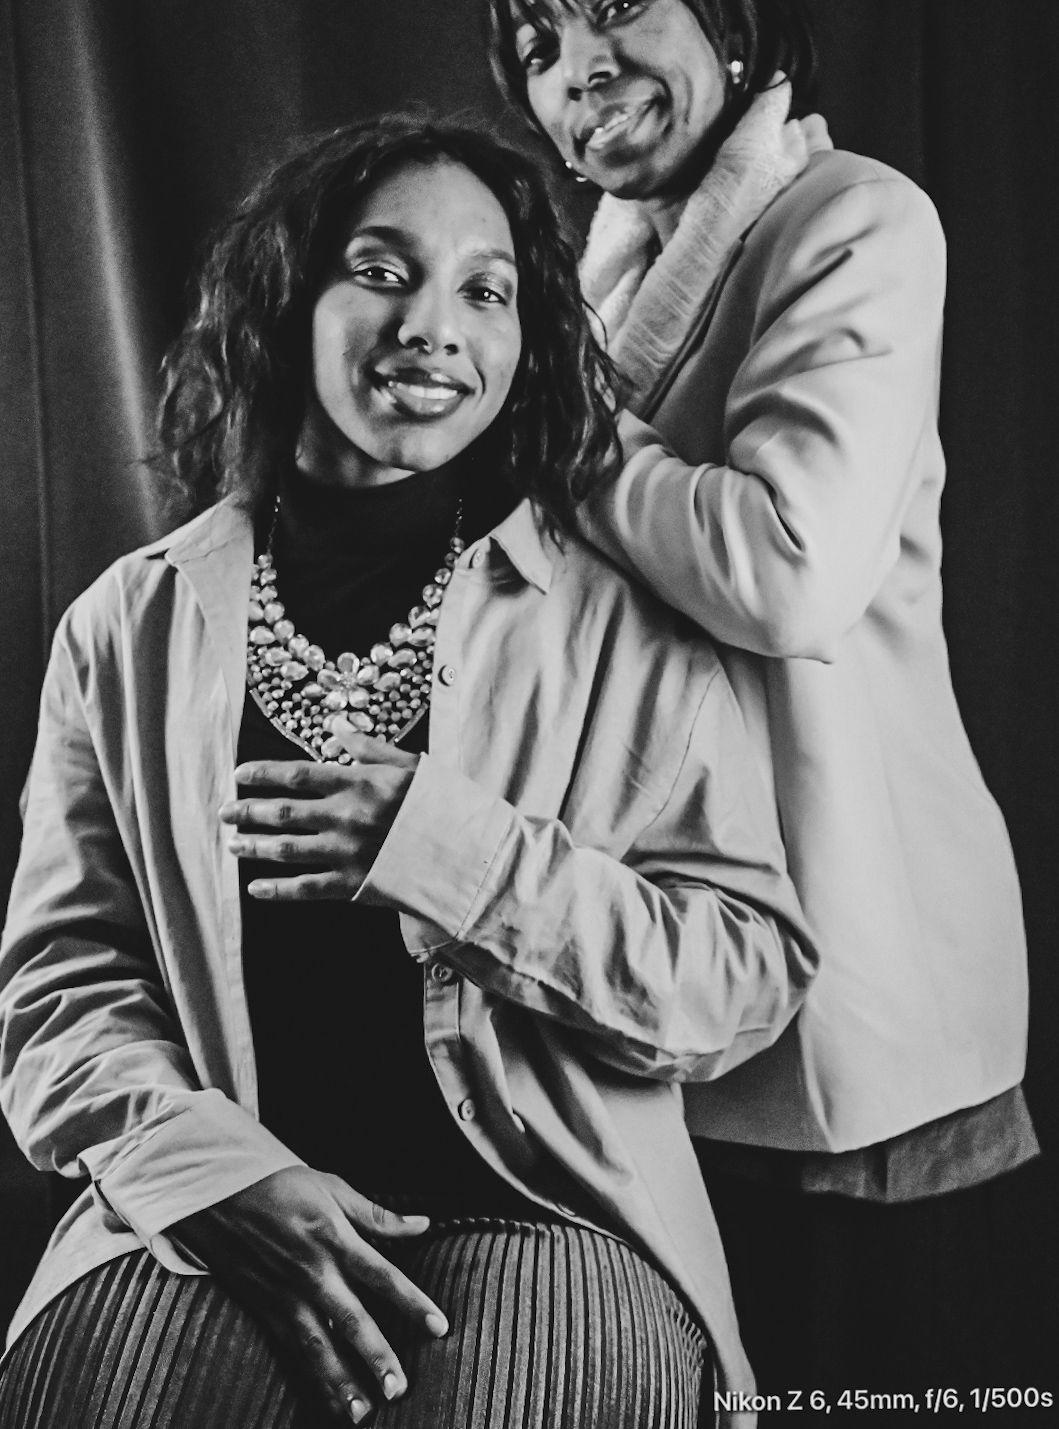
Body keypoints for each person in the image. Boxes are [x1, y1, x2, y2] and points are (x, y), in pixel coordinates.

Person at [0, 117, 817, 1429]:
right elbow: (64, 985)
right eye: (382, 271)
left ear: (525, 341)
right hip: (208, 1205)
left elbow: (744, 977)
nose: (433, 327)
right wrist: (206, 1173)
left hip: (551, 1210)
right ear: (288, 297)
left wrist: (450, 859)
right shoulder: (127, 625)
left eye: (486, 291)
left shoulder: (624, 623)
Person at [480, 0, 1038, 1393]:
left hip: (849, 985)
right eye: (537, 47)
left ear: (729, 18)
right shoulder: (592, 285)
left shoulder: (855, 218)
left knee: (874, 1387)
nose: (580, 68)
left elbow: (788, 568)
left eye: (616, 7)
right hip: (654, 979)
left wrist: (560, 426)